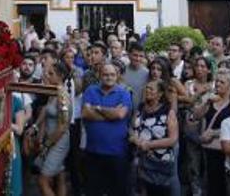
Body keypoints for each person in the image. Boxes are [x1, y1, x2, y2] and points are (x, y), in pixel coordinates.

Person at [81, 62, 134, 196]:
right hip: (93, 150)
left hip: (117, 152)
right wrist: (111, 114)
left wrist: (98, 108)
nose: (109, 77)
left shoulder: (124, 93)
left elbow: (120, 114)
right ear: (99, 75)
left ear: (117, 76)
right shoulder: (90, 90)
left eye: (112, 74)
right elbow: (86, 113)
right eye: (105, 74)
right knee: (93, 190)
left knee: (117, 191)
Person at [131, 78, 180, 196]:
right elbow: (133, 127)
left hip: (159, 163)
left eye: (151, 89)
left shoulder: (168, 111)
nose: (147, 90)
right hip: (141, 161)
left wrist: (148, 145)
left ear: (160, 93)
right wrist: (133, 138)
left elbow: (173, 139)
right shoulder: (141, 107)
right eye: (147, 88)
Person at [34, 58, 73, 196]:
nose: (47, 76)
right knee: (60, 176)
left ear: (60, 76)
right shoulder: (54, 92)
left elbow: (62, 127)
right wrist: (37, 127)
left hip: (58, 142)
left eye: (51, 74)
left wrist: (47, 144)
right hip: (52, 139)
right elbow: (45, 111)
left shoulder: (62, 96)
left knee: (43, 180)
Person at [198, 69, 230, 196]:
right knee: (211, 184)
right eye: (217, 81)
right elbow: (196, 116)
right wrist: (206, 102)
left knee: (224, 186)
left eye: (222, 82)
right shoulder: (211, 98)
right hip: (209, 150)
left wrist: (214, 133)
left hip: (226, 151)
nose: (218, 84)